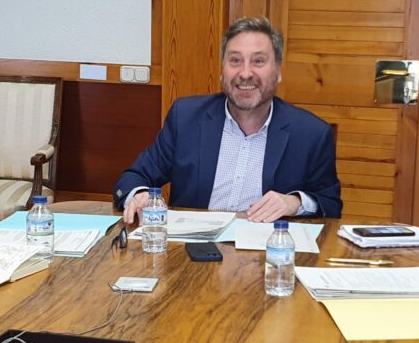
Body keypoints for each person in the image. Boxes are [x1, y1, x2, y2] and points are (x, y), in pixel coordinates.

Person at [114, 17, 342, 223]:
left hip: (268, 249)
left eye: (258, 61)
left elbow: (330, 205)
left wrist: (295, 202)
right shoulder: (186, 117)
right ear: (222, 70)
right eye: (235, 60)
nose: (245, 73)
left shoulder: (311, 133)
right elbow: (134, 177)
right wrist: (140, 195)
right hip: (190, 248)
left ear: (278, 71)